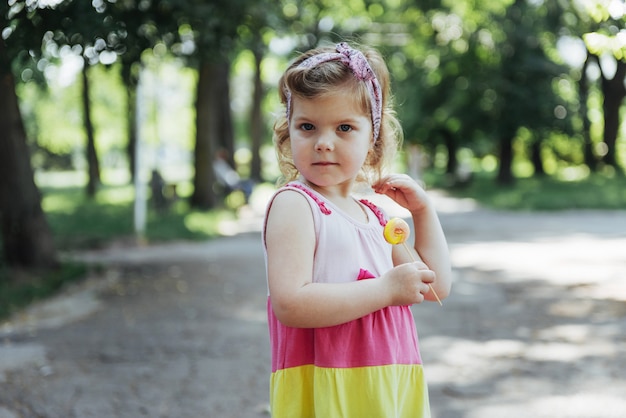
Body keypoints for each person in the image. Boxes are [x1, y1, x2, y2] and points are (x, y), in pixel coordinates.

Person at [262, 42, 452, 417]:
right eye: (307, 127)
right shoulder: (296, 205)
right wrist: (384, 290)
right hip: (331, 388)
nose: (323, 143)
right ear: (289, 132)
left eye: (345, 127)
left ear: (373, 140)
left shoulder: (377, 218)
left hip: (387, 385)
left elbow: (433, 286)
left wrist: (424, 212)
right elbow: (290, 303)